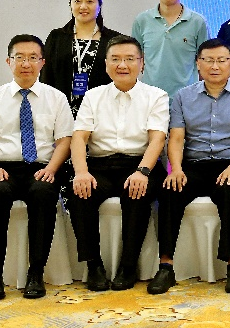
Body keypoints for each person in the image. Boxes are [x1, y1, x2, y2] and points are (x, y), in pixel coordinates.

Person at [0, 35, 73, 301]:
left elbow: (64, 141)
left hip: (42, 167)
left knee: (43, 193)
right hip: (2, 168)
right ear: (9, 61)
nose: (26, 63)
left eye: (33, 58)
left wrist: (52, 169)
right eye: (20, 58)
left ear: (42, 62)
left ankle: (36, 274)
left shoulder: (56, 98)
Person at [148, 39, 230, 295]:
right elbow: (177, 138)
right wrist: (176, 169)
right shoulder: (183, 96)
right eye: (208, 60)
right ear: (198, 64)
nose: (215, 66)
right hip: (194, 164)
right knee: (169, 191)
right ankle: (165, 266)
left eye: (221, 60)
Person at [67, 35, 170, 292]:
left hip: (140, 163)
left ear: (141, 63)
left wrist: (142, 171)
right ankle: (94, 265)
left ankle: (128, 266)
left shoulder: (156, 96)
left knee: (137, 193)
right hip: (100, 165)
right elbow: (79, 137)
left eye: (129, 59)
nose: (122, 65)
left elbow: (157, 139)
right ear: (106, 64)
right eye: (115, 59)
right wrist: (81, 172)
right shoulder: (93, 96)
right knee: (79, 193)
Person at [41, 0, 122, 116]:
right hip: (60, 113)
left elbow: (119, 80)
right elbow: (46, 77)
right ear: (70, 4)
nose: (83, 6)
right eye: (77, 1)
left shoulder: (114, 40)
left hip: (102, 114)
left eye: (90, 1)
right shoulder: (56, 37)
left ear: (99, 5)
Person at [131, 0, 211, 97]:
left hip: (187, 99)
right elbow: (136, 60)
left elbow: (205, 63)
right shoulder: (142, 20)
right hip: (150, 98)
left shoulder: (198, 22)